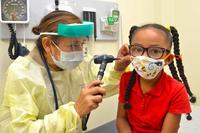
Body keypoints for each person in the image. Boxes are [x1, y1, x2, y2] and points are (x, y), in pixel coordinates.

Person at [0, 10, 131, 132]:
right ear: (47, 44)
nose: (79, 52)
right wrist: (75, 111)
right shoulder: (21, 73)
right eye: (73, 45)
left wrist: (117, 69)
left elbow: (100, 88)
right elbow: (23, 129)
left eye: (82, 44)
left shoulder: (81, 62)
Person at [116, 24, 192, 133]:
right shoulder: (126, 79)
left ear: (168, 59)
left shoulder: (177, 91)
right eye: (137, 49)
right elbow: (121, 119)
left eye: (155, 51)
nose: (144, 57)